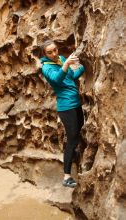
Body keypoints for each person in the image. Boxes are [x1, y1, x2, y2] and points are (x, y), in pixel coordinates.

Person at [40, 40, 85, 188]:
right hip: (66, 107)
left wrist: (83, 67)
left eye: (55, 50)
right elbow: (57, 79)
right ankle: (66, 177)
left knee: (79, 135)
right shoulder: (46, 67)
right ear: (44, 54)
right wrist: (66, 65)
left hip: (76, 103)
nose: (54, 54)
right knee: (72, 139)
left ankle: (77, 163)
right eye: (50, 52)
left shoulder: (61, 59)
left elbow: (71, 77)